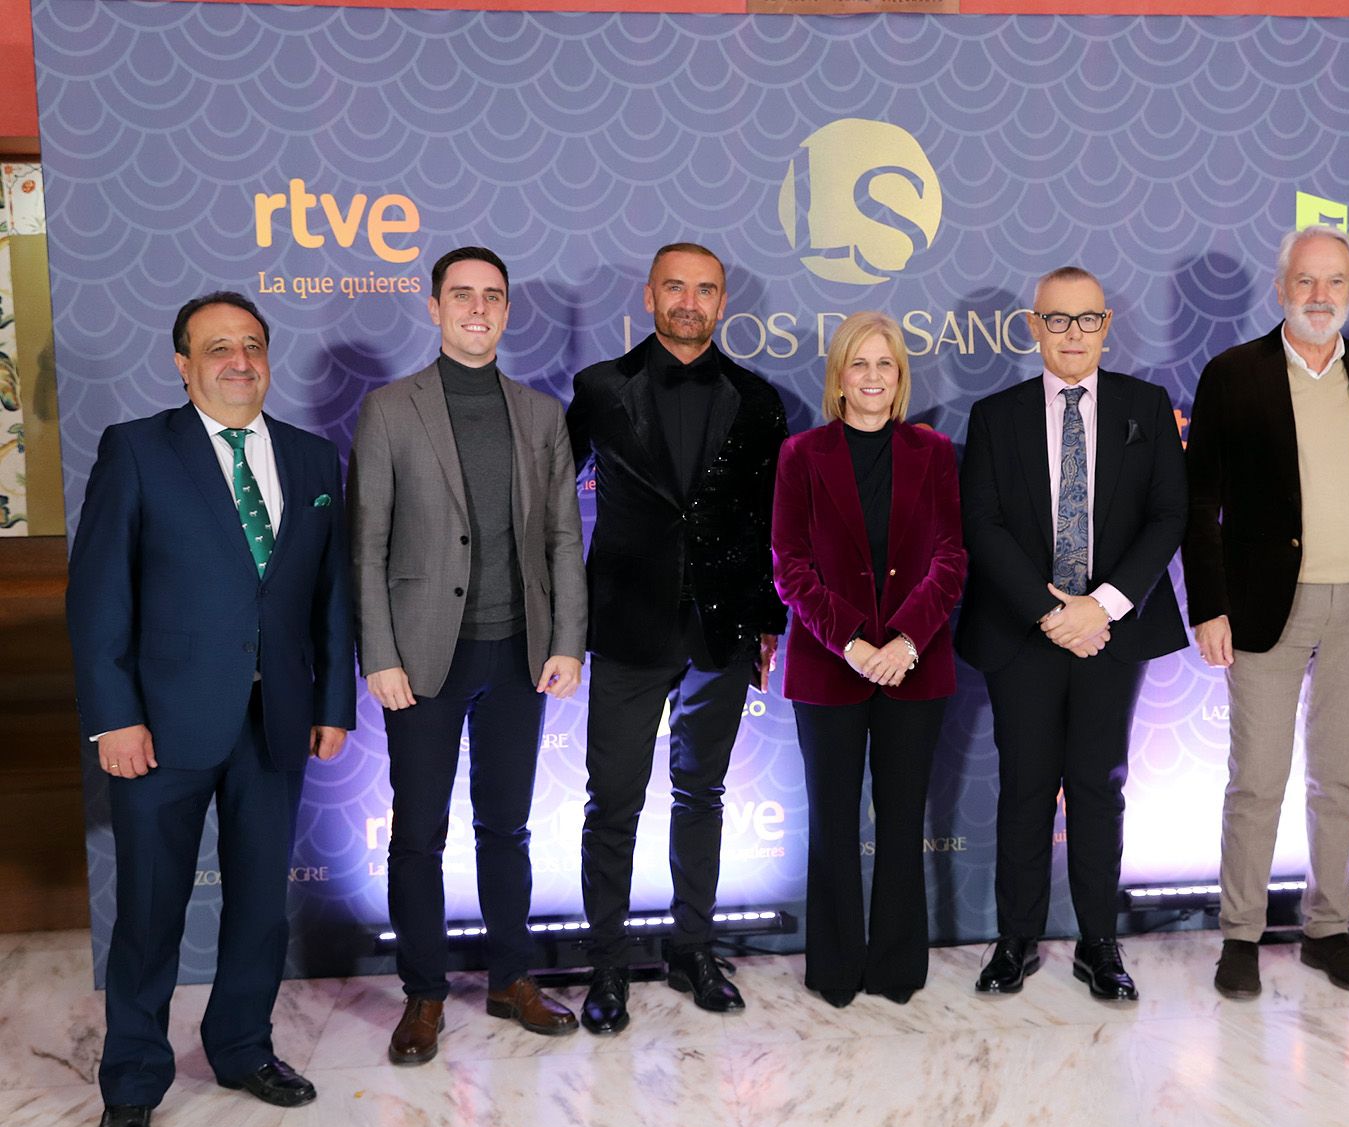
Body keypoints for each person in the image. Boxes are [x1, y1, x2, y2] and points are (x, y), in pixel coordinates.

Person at [66, 292, 355, 1127]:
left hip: (278, 720)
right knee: (150, 909)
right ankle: (132, 1081)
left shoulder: (311, 456)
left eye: (252, 344)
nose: (239, 361)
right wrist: (115, 718)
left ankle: (241, 1047)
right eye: (218, 347)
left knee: (262, 905)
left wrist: (333, 703)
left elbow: (329, 593)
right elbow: (98, 597)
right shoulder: (137, 449)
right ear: (183, 364)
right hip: (161, 727)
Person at [348, 246, 586, 1065]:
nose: (478, 308)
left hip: (518, 652)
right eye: (462, 295)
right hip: (422, 658)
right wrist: (379, 652)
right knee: (418, 834)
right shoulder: (390, 409)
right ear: (435, 307)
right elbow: (367, 542)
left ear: (507, 310)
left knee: (507, 826)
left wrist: (567, 640)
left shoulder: (542, 414)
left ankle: (512, 978)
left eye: (492, 296)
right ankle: (424, 993)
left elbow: (563, 538)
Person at [1183, 224, 1349, 1000]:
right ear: (1280, 287)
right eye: (1306, 281)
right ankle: (1241, 935)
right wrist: (1209, 605)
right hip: (1263, 608)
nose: (1320, 296)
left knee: (1339, 780)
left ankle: (1328, 930)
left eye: (1334, 282)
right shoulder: (1232, 374)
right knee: (1257, 780)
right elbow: (1199, 500)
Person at [566, 242, 788, 1033]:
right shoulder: (600, 388)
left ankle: (693, 948)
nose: (690, 302)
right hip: (626, 627)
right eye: (675, 287)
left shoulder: (758, 399)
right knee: (612, 801)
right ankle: (607, 963)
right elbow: (553, 506)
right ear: (650, 295)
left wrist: (767, 619)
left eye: (705, 289)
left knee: (702, 794)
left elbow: (768, 520)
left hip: (719, 631)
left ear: (722, 301)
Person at [957, 266, 1188, 1002]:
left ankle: (1099, 943)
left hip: (1112, 632)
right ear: (1035, 328)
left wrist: (1103, 607)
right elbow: (982, 524)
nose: (1073, 334)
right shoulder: (995, 415)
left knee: (1097, 786)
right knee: (1025, 786)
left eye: (1088, 319)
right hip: (1023, 629)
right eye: (1057, 320)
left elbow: (1169, 515)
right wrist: (1051, 612)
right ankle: (1015, 940)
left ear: (1106, 325)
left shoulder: (1146, 407)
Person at [771, 311, 966, 1008]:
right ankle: (834, 965)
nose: (874, 376)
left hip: (916, 666)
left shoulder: (932, 451)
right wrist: (852, 641)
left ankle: (895, 964)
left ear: (900, 376)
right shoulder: (801, 454)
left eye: (886, 364)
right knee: (832, 821)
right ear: (839, 376)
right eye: (860, 363)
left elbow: (950, 558)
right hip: (830, 667)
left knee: (903, 818)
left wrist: (905, 641)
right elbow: (790, 566)